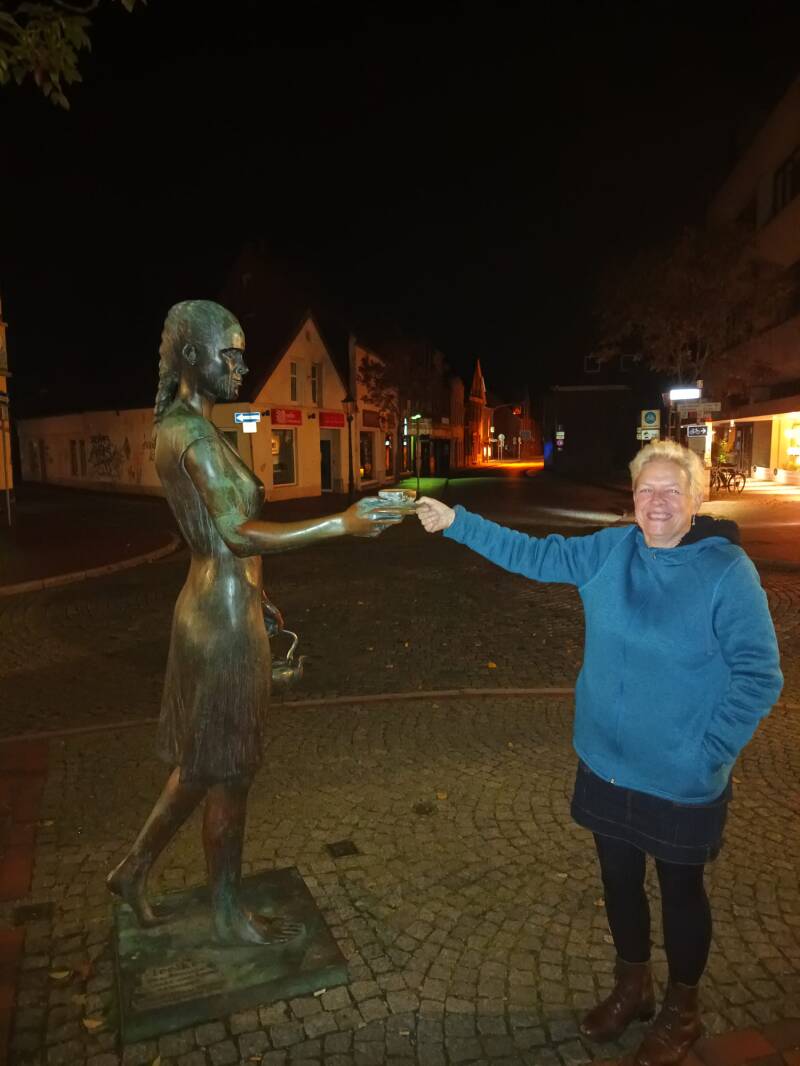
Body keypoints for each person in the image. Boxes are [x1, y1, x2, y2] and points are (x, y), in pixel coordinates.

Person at [415, 440, 782, 1066]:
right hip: (607, 763)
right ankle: (633, 986)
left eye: (671, 490)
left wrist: (708, 751)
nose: (657, 502)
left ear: (696, 500)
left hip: (681, 776)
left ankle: (683, 1010)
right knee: (618, 881)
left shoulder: (726, 571)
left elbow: (759, 675)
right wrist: (457, 522)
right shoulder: (612, 550)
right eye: (646, 489)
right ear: (632, 497)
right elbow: (533, 554)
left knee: (680, 892)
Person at [108, 300, 408, 946]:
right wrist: (342, 523)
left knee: (202, 765)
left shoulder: (188, 427)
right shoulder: (190, 435)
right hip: (221, 624)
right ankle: (225, 911)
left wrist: (259, 595)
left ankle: (132, 870)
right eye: (231, 356)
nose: (241, 369)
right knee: (231, 773)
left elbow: (224, 540)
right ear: (192, 356)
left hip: (218, 604)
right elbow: (238, 534)